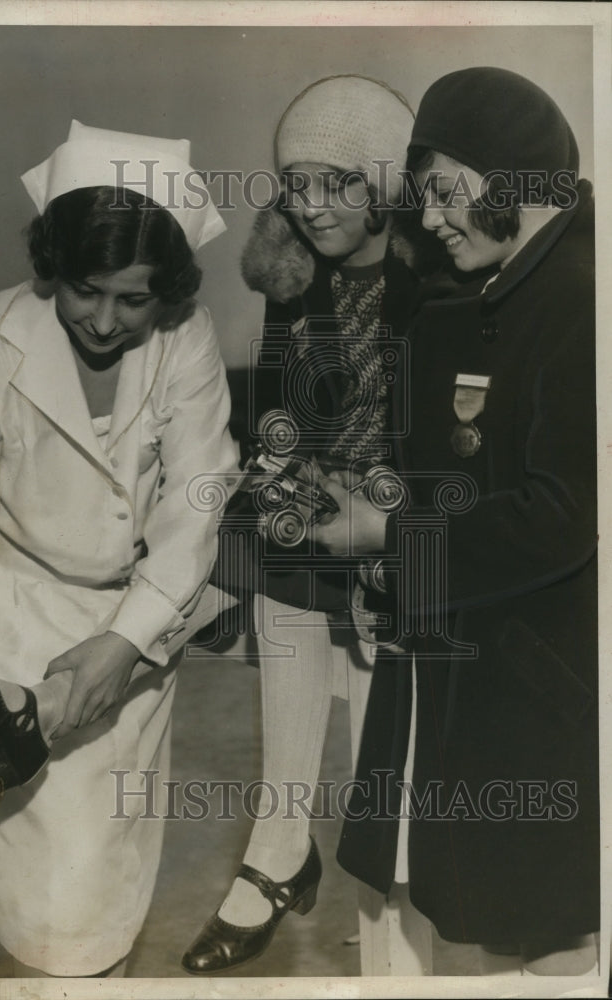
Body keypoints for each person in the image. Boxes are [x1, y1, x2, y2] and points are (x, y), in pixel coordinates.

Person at [0, 121, 238, 977]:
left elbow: (193, 510)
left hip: (134, 616)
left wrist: (121, 645)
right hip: (12, 619)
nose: (105, 321)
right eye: (85, 290)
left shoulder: (187, 344)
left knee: (97, 879)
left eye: (133, 300)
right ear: (52, 270)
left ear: (168, 293)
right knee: (34, 894)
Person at [313, 68, 598, 975]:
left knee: (546, 932)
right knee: (473, 914)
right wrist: (383, 543)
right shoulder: (502, 291)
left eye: (443, 190)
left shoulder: (578, 301)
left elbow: (559, 517)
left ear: (510, 179)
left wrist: (388, 538)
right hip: (469, 660)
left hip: (536, 684)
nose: (429, 217)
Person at [181, 75, 420, 975]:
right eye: (296, 184)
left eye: (337, 183)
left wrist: (380, 510)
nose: (311, 206)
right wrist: (284, 477)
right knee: (281, 596)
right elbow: (277, 407)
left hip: (405, 515)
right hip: (318, 501)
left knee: (378, 692)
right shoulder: (293, 278)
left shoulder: (430, 278)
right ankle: (277, 851)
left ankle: (379, 887)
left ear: (383, 183)